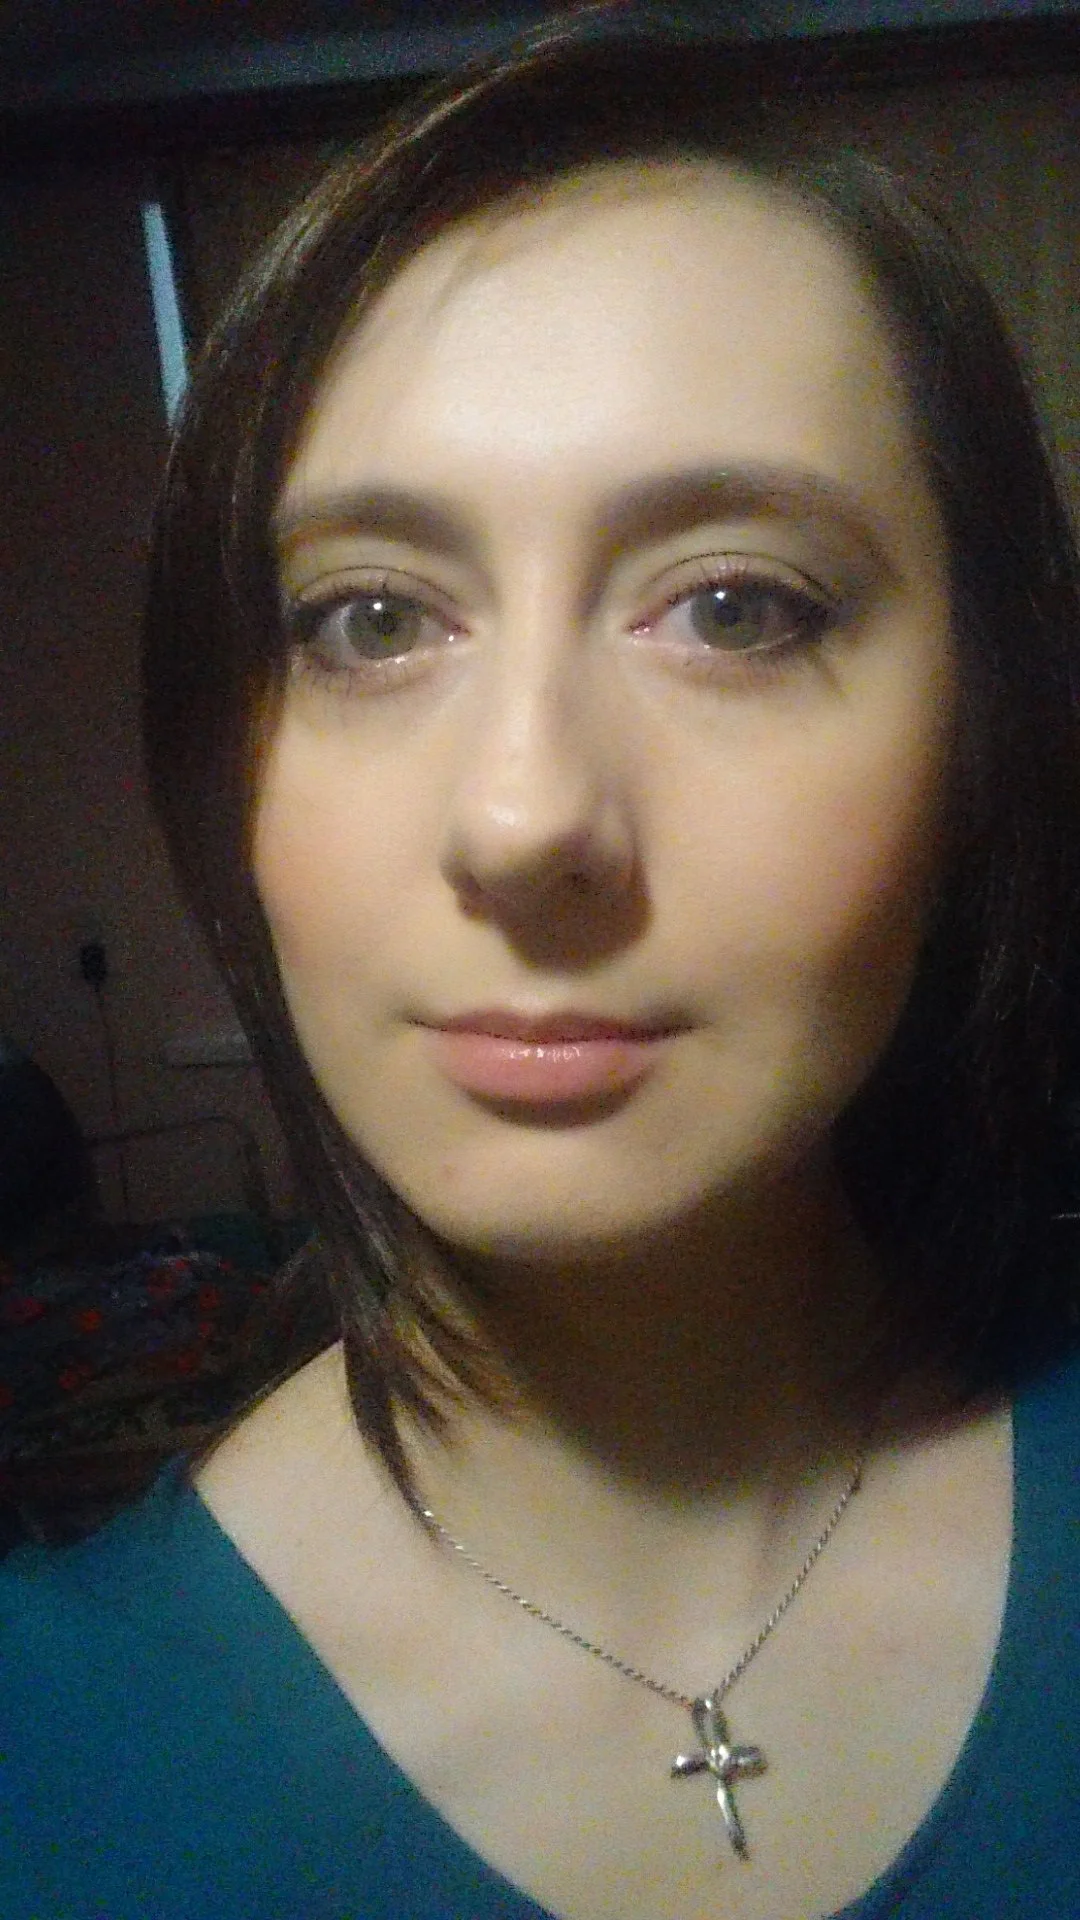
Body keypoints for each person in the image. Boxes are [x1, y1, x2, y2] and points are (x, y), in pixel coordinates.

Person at [3, 19, 1080, 1918]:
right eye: (372, 620)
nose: (522, 819)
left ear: (985, 732)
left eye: (735, 607)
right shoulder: (51, 1759)